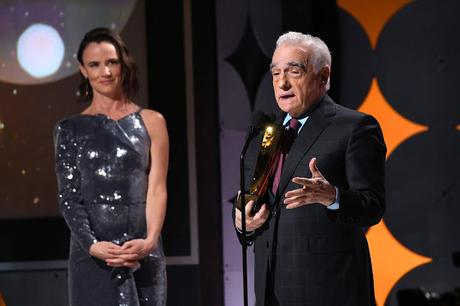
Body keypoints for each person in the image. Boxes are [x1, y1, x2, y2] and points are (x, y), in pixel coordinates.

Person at [234, 31, 386, 306]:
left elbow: (372, 206)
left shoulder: (355, 127)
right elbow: (253, 205)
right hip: (271, 291)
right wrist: (244, 224)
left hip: (329, 290)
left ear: (323, 77)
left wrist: (334, 198)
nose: (282, 82)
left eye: (294, 71)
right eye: (276, 72)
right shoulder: (265, 134)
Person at [54, 28, 168, 306]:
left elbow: (157, 188)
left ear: (123, 64)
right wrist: (93, 246)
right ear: (83, 70)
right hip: (91, 256)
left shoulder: (152, 121)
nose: (105, 71)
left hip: (141, 251)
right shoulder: (69, 130)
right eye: (94, 64)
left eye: (111, 62)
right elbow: (69, 198)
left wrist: (150, 241)